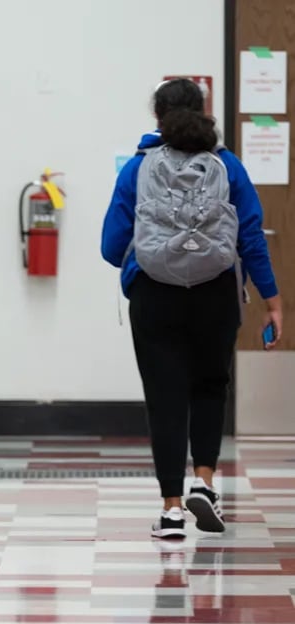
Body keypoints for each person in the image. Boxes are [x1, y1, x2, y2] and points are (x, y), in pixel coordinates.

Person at [102, 77, 283, 540]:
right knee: (210, 387)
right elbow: (251, 238)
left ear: (157, 118)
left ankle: (170, 509)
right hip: (216, 292)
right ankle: (204, 480)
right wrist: (273, 302)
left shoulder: (137, 169)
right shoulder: (227, 165)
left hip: (154, 295)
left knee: (164, 399)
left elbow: (110, 246)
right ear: (203, 113)